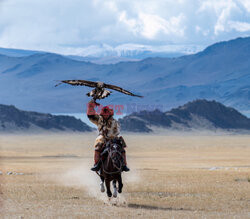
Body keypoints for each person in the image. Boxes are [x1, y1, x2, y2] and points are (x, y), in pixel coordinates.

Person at [87, 100, 130, 172]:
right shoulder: (99, 119)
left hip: (114, 138)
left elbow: (117, 131)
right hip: (102, 138)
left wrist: (111, 136)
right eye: (104, 115)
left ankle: (124, 165)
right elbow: (90, 116)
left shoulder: (115, 122)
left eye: (107, 115)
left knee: (122, 150)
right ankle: (96, 165)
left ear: (110, 114)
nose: (105, 116)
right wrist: (91, 105)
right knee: (97, 148)